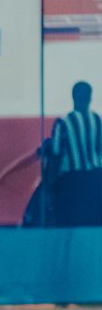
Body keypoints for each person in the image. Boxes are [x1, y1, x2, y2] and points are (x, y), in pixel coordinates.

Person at [47, 82, 102, 226]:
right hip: (96, 177)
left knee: (72, 221)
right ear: (90, 98)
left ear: (73, 97)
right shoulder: (97, 120)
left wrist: (50, 184)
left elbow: (56, 153)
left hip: (72, 179)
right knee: (93, 221)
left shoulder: (63, 122)